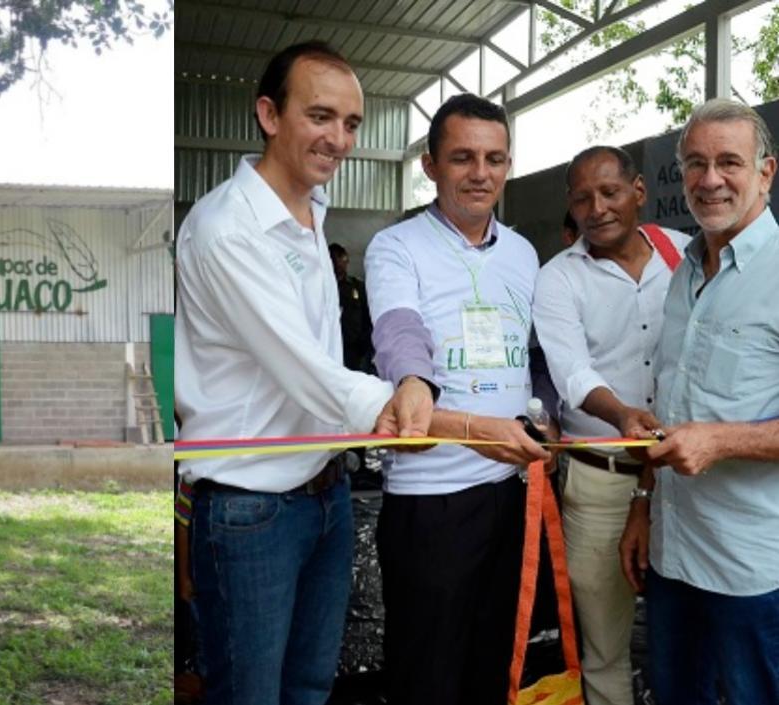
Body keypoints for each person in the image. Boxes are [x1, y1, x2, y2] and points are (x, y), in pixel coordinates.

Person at [173, 41, 435, 705]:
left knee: (310, 688)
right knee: (250, 695)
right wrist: (432, 408)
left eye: (351, 123)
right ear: (269, 113)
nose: (339, 138)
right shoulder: (228, 228)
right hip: (249, 506)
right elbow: (311, 372)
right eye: (321, 116)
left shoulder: (310, 213)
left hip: (325, 493)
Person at [364, 93, 551, 705]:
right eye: (463, 157)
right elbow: (398, 328)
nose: (480, 173)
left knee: (494, 667)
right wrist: (413, 381)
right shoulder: (397, 247)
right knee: (428, 676)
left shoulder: (523, 254)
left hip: (511, 493)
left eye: (495, 159)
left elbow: (534, 356)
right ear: (430, 164)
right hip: (432, 501)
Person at [618, 99, 779, 704]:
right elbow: (673, 406)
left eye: (729, 162)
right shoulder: (684, 271)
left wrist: (723, 441)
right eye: (695, 163)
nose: (710, 179)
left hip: (753, 570)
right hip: (673, 556)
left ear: (766, 172)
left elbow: (707, 431)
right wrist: (642, 503)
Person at [532, 145, 689, 705]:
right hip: (600, 480)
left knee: (688, 636)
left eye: (610, 192)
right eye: (582, 199)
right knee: (603, 645)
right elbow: (570, 371)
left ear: (639, 191)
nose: (597, 208)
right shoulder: (557, 279)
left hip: (685, 477)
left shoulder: (686, 256)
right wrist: (622, 415)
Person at [329, 242, 375, 372]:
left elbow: (368, 315)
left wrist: (365, 343)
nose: (339, 263)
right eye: (334, 258)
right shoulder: (322, 286)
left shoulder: (356, 286)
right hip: (332, 345)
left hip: (356, 350)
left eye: (342, 258)